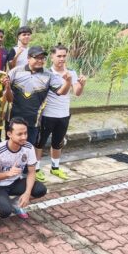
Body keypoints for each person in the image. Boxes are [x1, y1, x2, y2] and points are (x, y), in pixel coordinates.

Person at [34, 44, 86, 182]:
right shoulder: (46, 73)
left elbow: (77, 93)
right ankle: (37, 169)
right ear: (52, 57)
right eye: (59, 56)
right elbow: (60, 92)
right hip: (47, 114)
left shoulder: (71, 73)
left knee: (58, 143)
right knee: (39, 143)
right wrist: (67, 82)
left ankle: (55, 168)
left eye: (64, 56)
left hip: (64, 115)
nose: (62, 59)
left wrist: (82, 84)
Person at [5, 46, 72, 150]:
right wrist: (7, 87)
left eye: (42, 58)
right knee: (10, 149)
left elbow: (61, 92)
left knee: (28, 150)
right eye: (37, 58)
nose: (40, 61)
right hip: (13, 119)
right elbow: (8, 97)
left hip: (33, 121)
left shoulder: (49, 75)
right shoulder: (15, 71)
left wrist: (68, 82)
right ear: (28, 58)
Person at [0, 117, 47, 219]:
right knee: (4, 212)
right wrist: (8, 174)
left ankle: (15, 203)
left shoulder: (29, 147)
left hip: (15, 182)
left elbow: (32, 172)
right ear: (9, 134)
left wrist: (27, 193)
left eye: (25, 133)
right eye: (19, 134)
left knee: (40, 189)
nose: (24, 137)